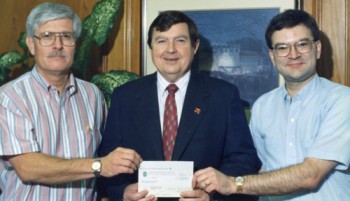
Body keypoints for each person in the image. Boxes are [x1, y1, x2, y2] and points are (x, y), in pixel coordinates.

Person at [97, 10, 261, 201]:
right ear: (151, 47)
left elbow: (243, 161)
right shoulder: (124, 97)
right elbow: (107, 160)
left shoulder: (224, 96)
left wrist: (211, 196)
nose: (171, 49)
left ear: (195, 46)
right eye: (161, 41)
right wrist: (123, 192)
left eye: (180, 40)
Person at [192, 9, 350, 201]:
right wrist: (210, 193)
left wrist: (233, 183)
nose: (293, 54)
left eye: (302, 44)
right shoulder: (262, 106)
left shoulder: (342, 100)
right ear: (272, 56)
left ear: (317, 49)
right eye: (282, 47)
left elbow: (311, 175)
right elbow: (257, 170)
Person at [0, 2, 142, 200]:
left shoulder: (93, 95)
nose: (58, 45)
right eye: (47, 36)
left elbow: (106, 156)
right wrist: (99, 166)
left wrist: (122, 190)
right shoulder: (10, 97)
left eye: (66, 36)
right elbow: (28, 167)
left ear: (76, 44)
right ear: (31, 44)